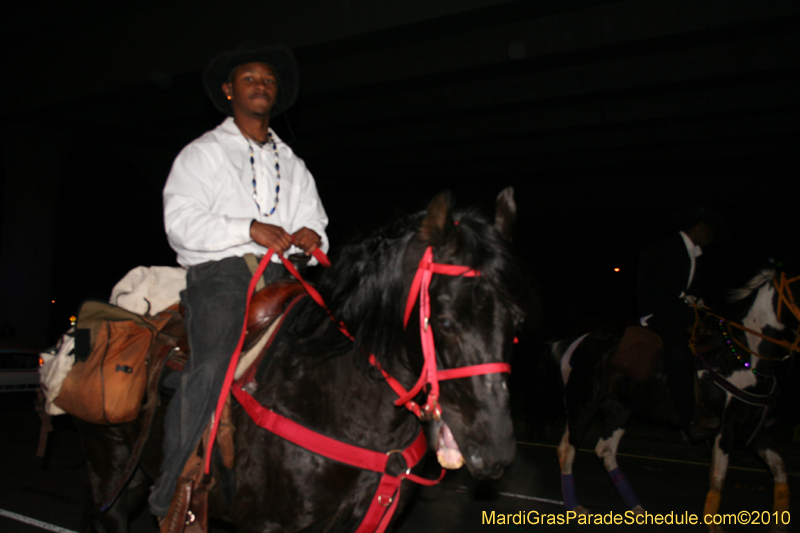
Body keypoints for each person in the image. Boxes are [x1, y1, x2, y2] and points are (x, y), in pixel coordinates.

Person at [149, 44, 329, 518]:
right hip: (222, 275)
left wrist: (313, 237)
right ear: (229, 91)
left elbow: (318, 223)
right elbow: (180, 222)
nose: (261, 84)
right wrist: (247, 229)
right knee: (212, 366)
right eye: (249, 78)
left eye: (268, 79)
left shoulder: (293, 165)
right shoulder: (203, 154)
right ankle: (172, 489)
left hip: (286, 277)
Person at [636, 206, 724, 442]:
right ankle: (687, 421)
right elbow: (663, 295)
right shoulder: (667, 249)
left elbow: (688, 291)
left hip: (675, 310)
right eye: (710, 232)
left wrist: (704, 310)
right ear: (700, 228)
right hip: (657, 313)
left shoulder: (694, 255)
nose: (711, 238)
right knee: (680, 352)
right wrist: (688, 320)